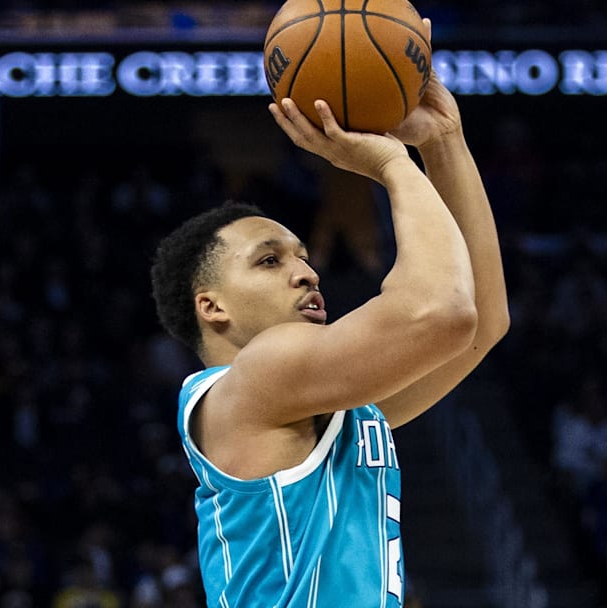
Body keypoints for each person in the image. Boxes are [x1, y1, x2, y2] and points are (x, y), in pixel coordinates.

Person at [149, 20, 509, 608]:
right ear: (211, 307)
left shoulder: (316, 406)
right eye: (269, 261)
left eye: (302, 256)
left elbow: (479, 323)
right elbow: (440, 310)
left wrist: (444, 143)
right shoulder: (259, 375)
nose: (307, 272)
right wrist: (392, 165)